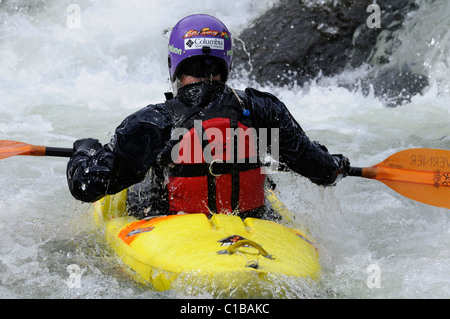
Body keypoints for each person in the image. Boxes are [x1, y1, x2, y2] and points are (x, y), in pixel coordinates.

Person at [66, 14, 350, 220]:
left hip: (177, 230)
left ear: (174, 64)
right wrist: (338, 164)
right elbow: (322, 171)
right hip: (252, 221)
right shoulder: (264, 110)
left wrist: (85, 150)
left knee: (141, 185)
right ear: (226, 62)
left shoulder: (153, 122)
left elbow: (85, 186)